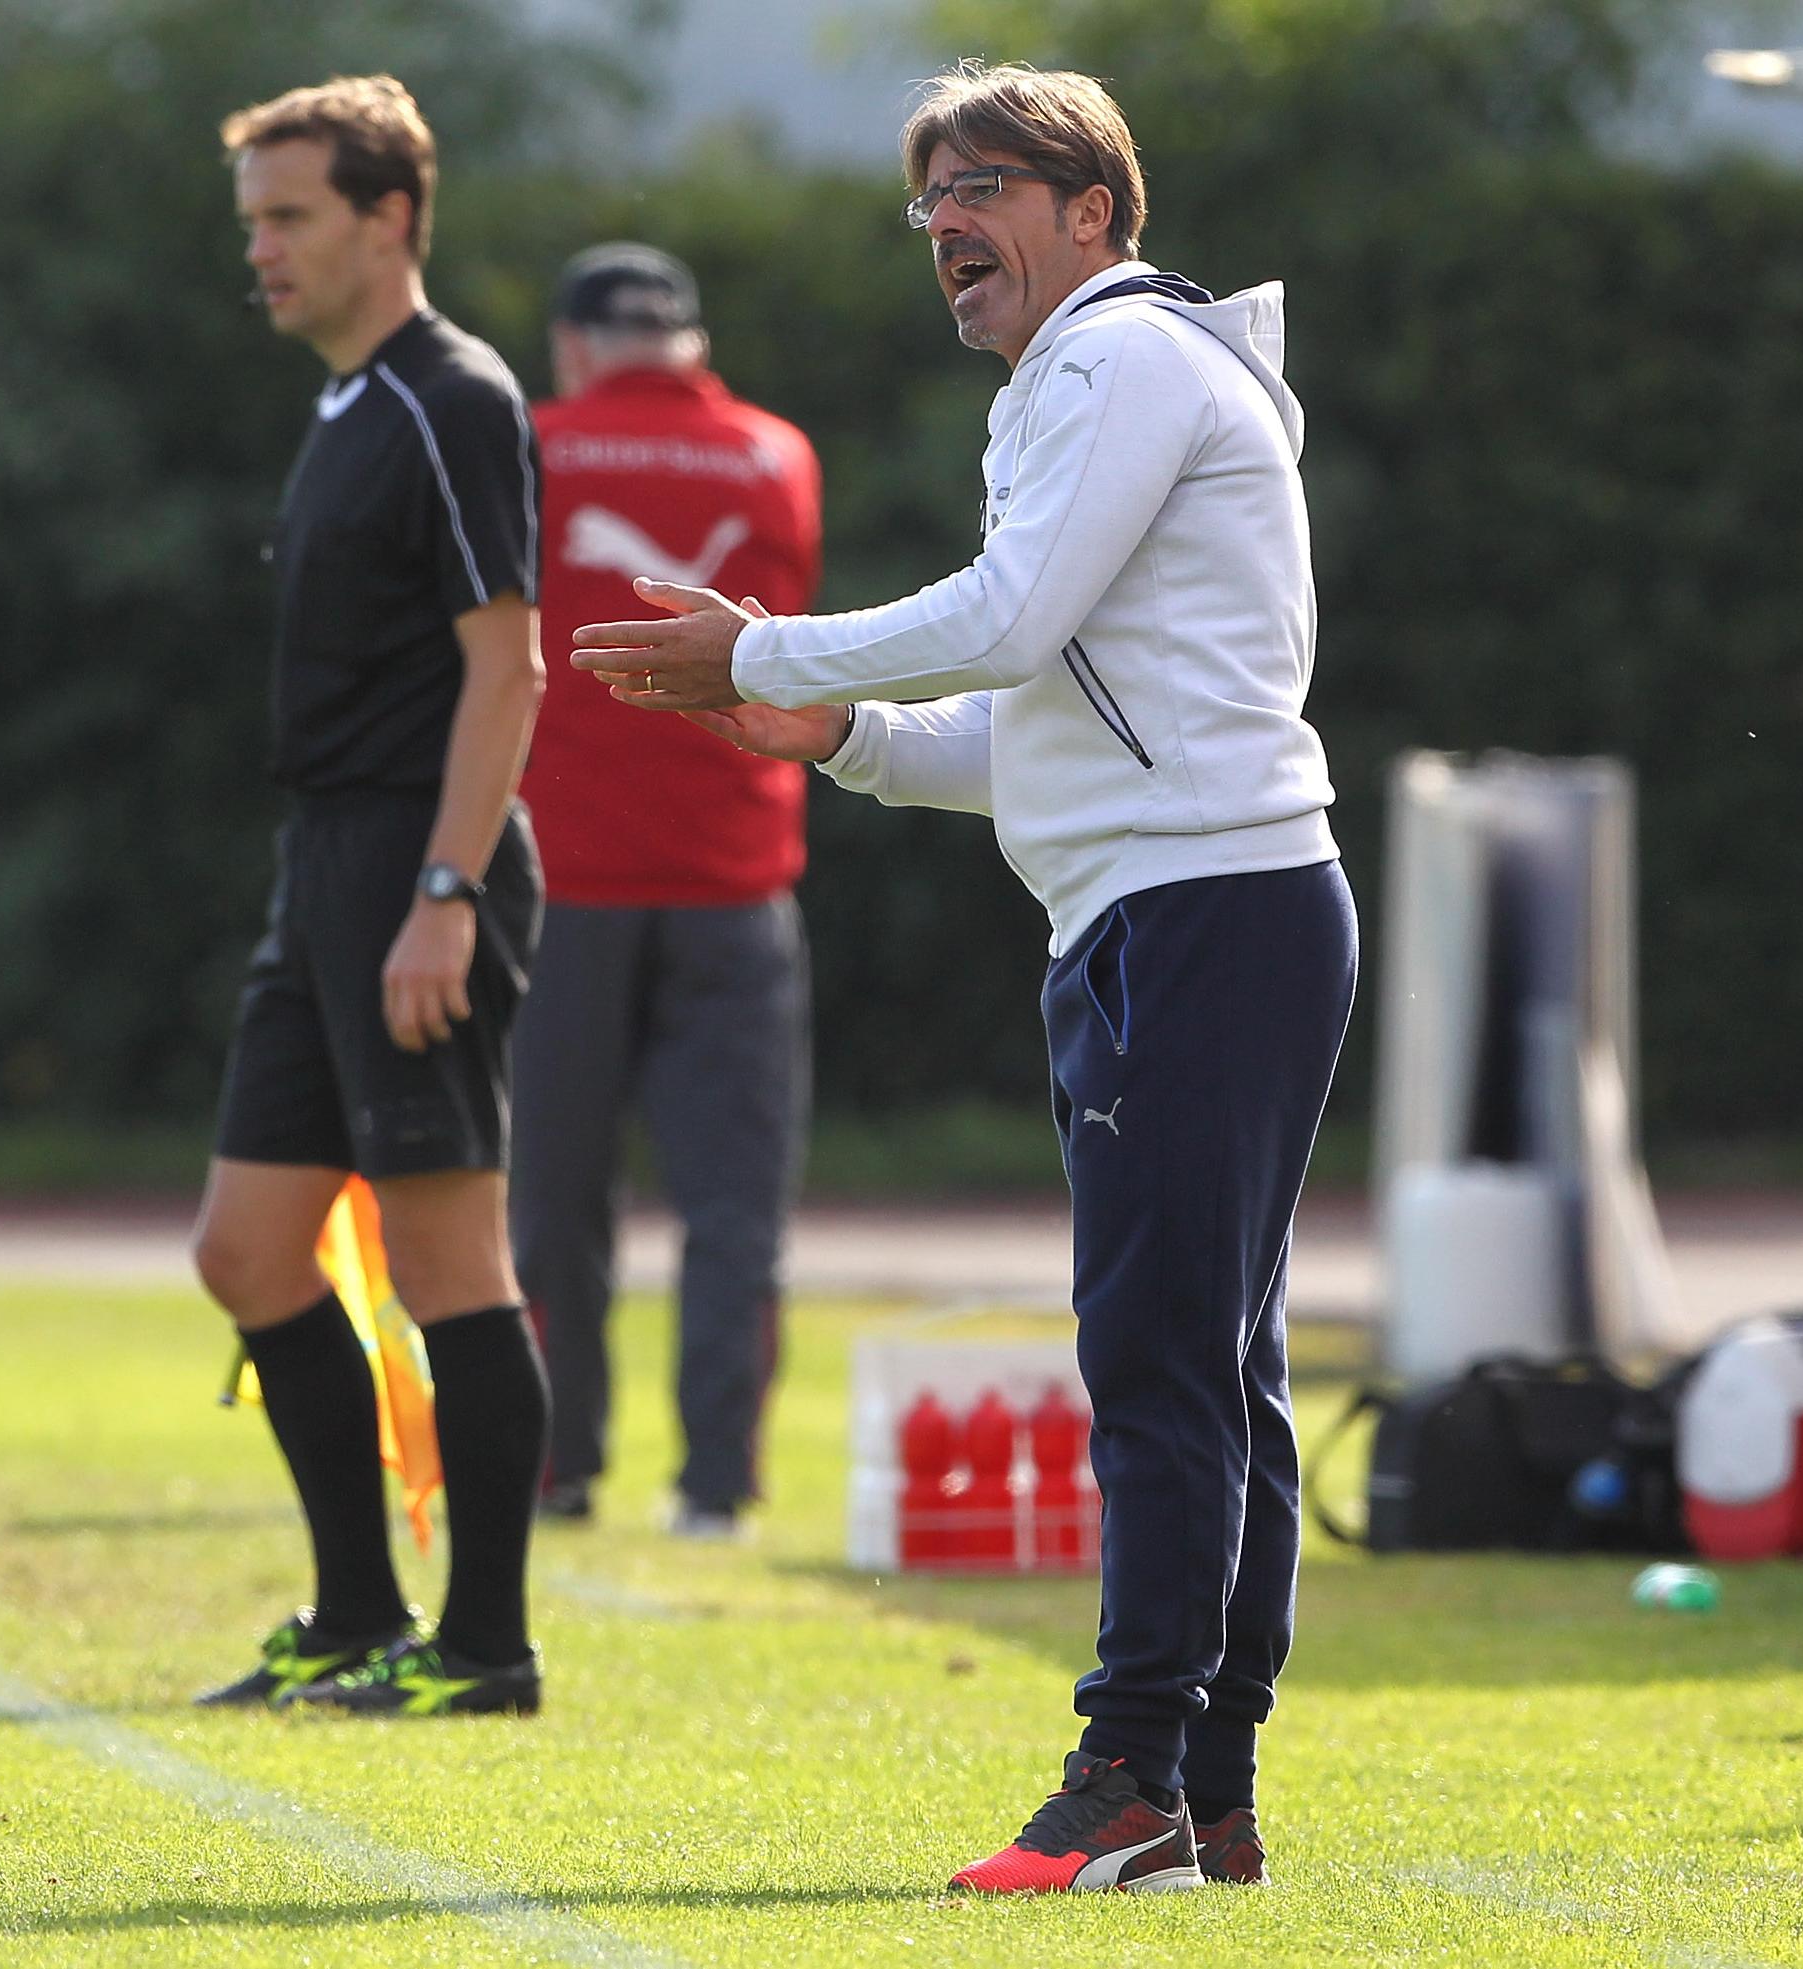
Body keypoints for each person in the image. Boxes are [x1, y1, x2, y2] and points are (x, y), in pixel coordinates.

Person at [572, 61, 1353, 1894]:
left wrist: (763, 648)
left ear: (1096, 212)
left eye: (983, 185)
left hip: (1204, 911)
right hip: (1177, 908)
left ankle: (1131, 1772)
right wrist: (837, 730)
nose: (943, 224)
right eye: (925, 198)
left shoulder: (1117, 358)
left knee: (1164, 1365)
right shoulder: (1098, 377)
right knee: (1207, 1367)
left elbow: (1010, 621)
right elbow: (1048, 725)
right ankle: (1202, 1793)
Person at [187, 75, 552, 1718]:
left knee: (446, 1260)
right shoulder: (343, 403)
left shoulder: (447, 395)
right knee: (249, 1247)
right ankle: (350, 1609)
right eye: (251, 218)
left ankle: (484, 1648)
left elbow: (508, 667)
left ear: (388, 218)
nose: (259, 249)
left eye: (289, 216)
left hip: (419, 862)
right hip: (324, 864)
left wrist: (444, 891)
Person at [511, 246, 824, 1538]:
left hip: (559, 882)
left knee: (551, 1197)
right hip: (733, 879)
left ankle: (552, 1468)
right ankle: (714, 1488)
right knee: (734, 1200)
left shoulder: (528, 448)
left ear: (576, 347)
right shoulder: (776, 454)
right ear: (690, 344)